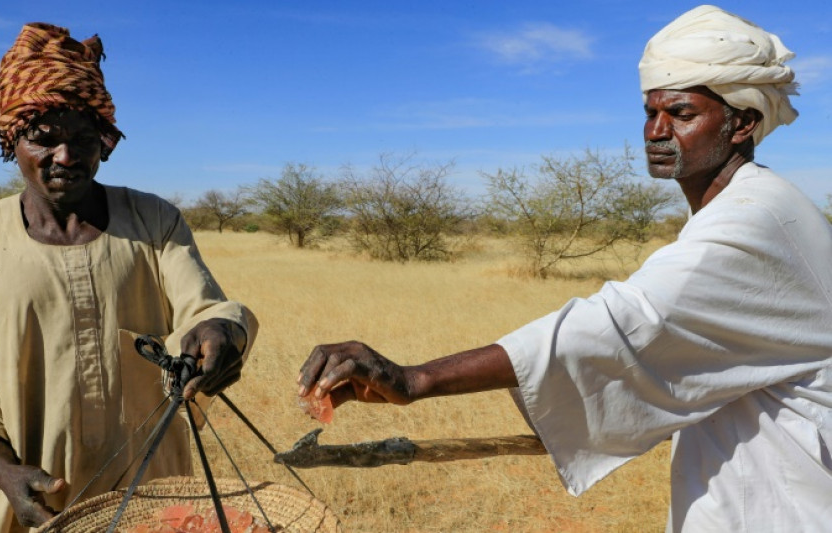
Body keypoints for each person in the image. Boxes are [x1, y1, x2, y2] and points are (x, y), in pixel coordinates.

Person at [298, 6, 832, 531]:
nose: (656, 130)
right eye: (650, 113)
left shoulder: (755, 220)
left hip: (784, 506)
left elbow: (625, 321)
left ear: (742, 124)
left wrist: (415, 379)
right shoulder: (747, 208)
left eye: (682, 114)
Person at [0, 23, 258, 532]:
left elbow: (205, 308)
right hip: (33, 500)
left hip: (152, 488)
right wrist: (6, 474)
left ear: (106, 140)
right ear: (13, 139)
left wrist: (221, 331)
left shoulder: (153, 221)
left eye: (83, 139)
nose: (66, 156)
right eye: (43, 138)